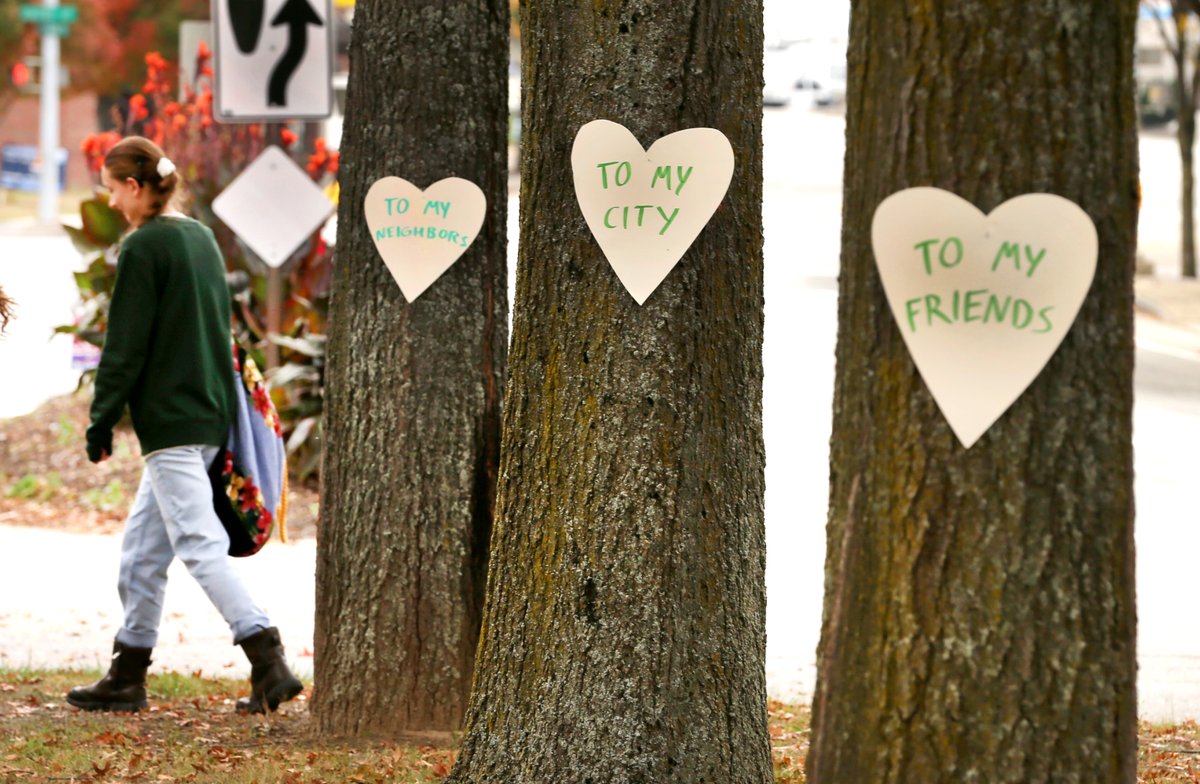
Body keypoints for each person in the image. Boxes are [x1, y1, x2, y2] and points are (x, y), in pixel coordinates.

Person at [67, 136, 302, 715]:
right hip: (208, 414)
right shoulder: (198, 237)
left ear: (135, 187)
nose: (110, 198)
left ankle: (267, 658)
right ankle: (127, 675)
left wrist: (101, 423)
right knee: (142, 554)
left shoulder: (144, 247)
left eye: (112, 186)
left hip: (172, 423)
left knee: (198, 545)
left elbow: (125, 347)